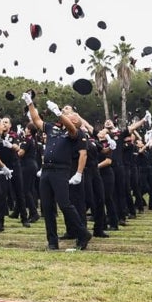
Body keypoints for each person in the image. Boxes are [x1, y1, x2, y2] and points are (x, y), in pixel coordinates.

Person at [25, 93, 90, 252]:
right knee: (46, 207)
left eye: (71, 115)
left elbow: (70, 127)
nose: (68, 115)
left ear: (75, 120)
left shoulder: (74, 132)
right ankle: (52, 242)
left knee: (65, 204)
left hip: (61, 171)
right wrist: (30, 104)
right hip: (46, 170)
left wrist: (60, 114)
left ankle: (83, 233)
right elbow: (36, 120)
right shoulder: (52, 127)